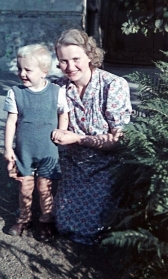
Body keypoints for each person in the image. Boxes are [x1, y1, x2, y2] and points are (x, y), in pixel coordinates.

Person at [51, 29, 132, 245]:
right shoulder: (59, 88)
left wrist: (78, 138)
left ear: (90, 55)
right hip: (72, 165)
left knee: (94, 229)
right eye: (63, 61)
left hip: (107, 165)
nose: (70, 67)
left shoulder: (113, 85)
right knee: (64, 225)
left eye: (76, 59)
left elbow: (118, 141)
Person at [3, 44, 69, 241]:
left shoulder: (56, 92)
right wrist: (8, 149)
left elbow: (63, 113)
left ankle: (46, 221)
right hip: (25, 151)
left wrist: (62, 131)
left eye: (28, 70)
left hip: (48, 150)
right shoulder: (15, 93)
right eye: (19, 68)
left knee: (45, 188)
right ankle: (24, 219)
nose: (22, 73)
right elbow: (11, 122)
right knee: (25, 187)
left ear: (44, 72)